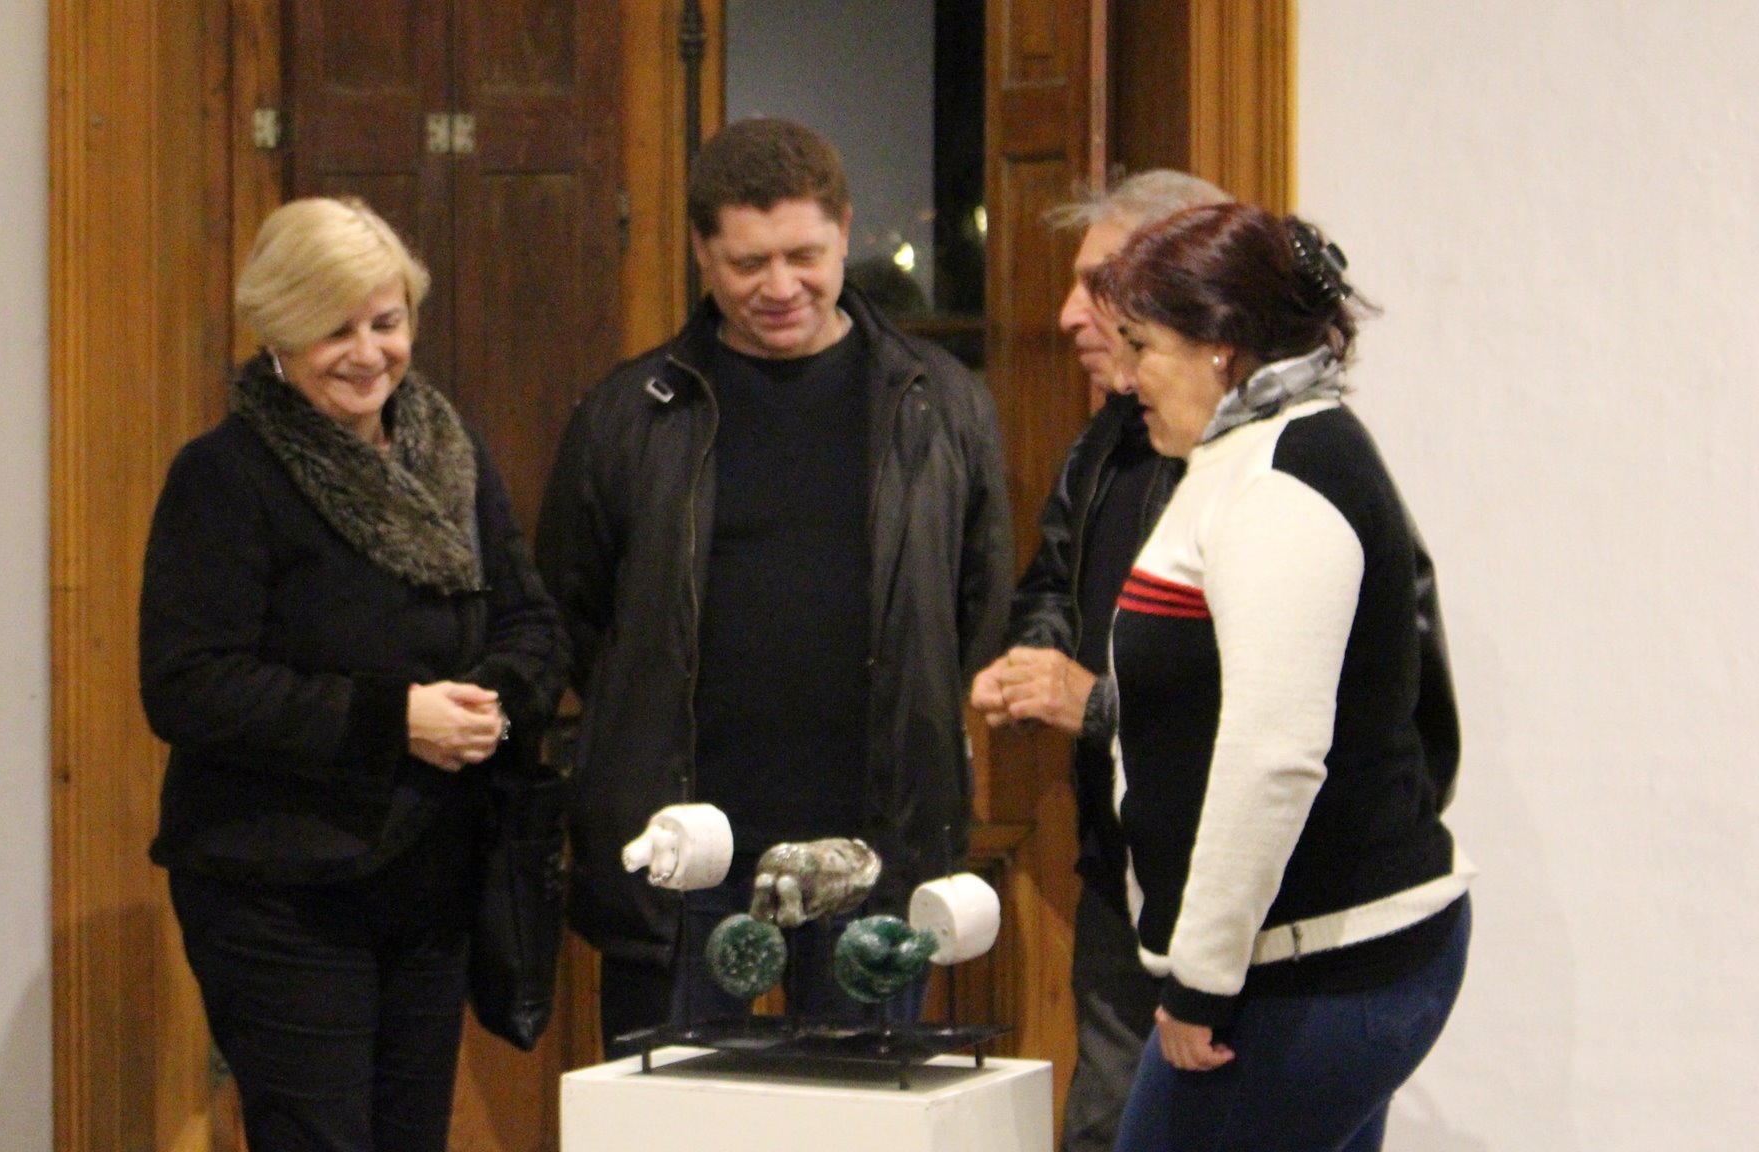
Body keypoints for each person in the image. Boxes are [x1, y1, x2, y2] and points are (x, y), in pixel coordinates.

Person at [536, 117, 1014, 1054]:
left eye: (805, 256)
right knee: (672, 1115)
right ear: (701, 252)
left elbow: (976, 598)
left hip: (875, 850)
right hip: (682, 856)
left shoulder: (941, 401)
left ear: (845, 232)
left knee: (859, 1114)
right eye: (750, 262)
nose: (781, 286)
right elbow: (576, 611)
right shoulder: (629, 413)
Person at [139, 196, 570, 1152]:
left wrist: (490, 710)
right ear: (278, 332)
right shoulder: (225, 475)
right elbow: (188, 684)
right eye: (336, 330)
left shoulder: (450, 453)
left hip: (433, 880)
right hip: (280, 895)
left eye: (387, 322)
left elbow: (534, 624)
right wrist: (395, 719)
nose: (369, 353)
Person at [1081, 202, 1473, 1151]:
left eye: (1142, 346)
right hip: (1316, 962)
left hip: (1311, 971)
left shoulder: (1280, 481)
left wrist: (1200, 982)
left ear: (1221, 348)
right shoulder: (1253, 453)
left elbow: (1273, 756)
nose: (1125, 379)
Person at [970, 170, 1230, 1152]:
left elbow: (1282, 703)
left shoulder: (1277, 461)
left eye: (1099, 285)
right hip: (1122, 873)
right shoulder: (1108, 437)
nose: (1067, 313)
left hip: (1241, 896)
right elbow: (1051, 582)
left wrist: (1098, 705)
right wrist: (1032, 663)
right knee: (1104, 1134)